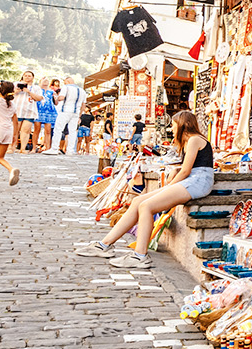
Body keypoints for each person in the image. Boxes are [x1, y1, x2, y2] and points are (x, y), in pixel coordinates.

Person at [76, 109, 212, 268]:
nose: (172, 129)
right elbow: (186, 168)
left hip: (198, 181)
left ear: (182, 125)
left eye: (174, 126)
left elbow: (186, 170)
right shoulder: (193, 141)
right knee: (138, 201)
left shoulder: (194, 139)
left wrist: (170, 185)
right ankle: (104, 245)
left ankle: (140, 255)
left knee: (146, 206)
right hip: (193, 179)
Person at [51, 75, 85, 154]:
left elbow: (61, 98)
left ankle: (54, 148)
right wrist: (79, 115)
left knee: (58, 129)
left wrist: (56, 97)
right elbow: (83, 105)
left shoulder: (66, 88)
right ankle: (70, 150)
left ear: (68, 82)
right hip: (76, 113)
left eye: (65, 82)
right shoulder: (82, 91)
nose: (64, 84)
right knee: (72, 131)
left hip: (65, 111)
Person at [14, 70, 43, 150]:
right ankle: (11, 147)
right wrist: (16, 91)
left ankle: (23, 148)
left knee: (25, 130)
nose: (27, 77)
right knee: (15, 130)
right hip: (17, 110)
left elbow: (39, 98)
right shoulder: (15, 84)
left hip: (30, 111)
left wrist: (29, 92)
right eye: (25, 75)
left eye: (29, 76)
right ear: (22, 76)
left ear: (33, 78)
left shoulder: (36, 88)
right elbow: (8, 94)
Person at [34, 78, 59, 154]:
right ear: (40, 82)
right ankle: (34, 147)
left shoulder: (51, 92)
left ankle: (47, 147)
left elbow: (56, 103)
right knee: (36, 130)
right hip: (39, 110)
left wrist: (56, 97)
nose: (45, 83)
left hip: (49, 111)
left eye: (47, 81)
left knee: (48, 131)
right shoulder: (37, 90)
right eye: (44, 81)